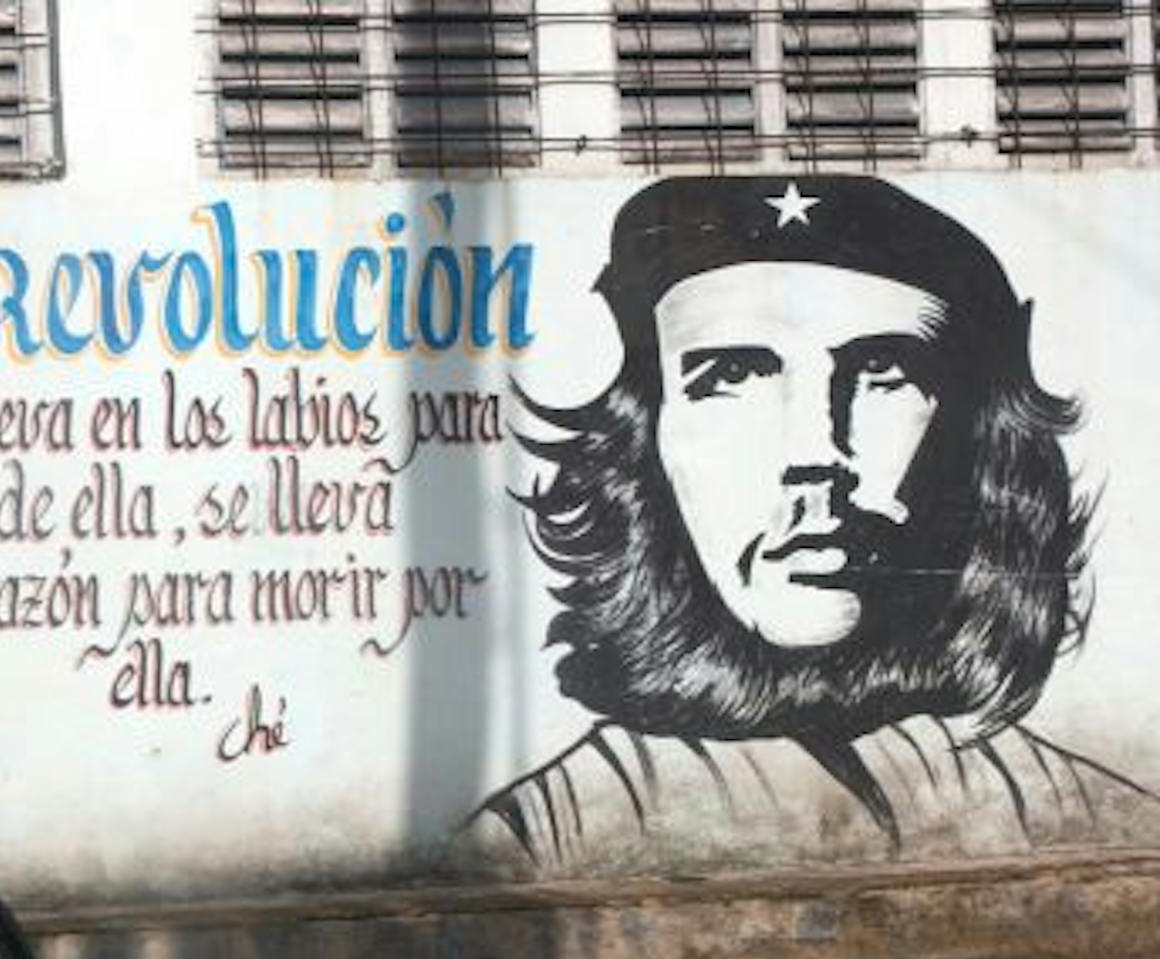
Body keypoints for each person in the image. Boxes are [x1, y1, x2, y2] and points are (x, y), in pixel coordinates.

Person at [460, 176, 1153, 874]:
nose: (816, 455)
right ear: (645, 443)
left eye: (883, 370)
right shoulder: (544, 838)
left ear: (982, 439)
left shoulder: (1085, 815)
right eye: (731, 373)